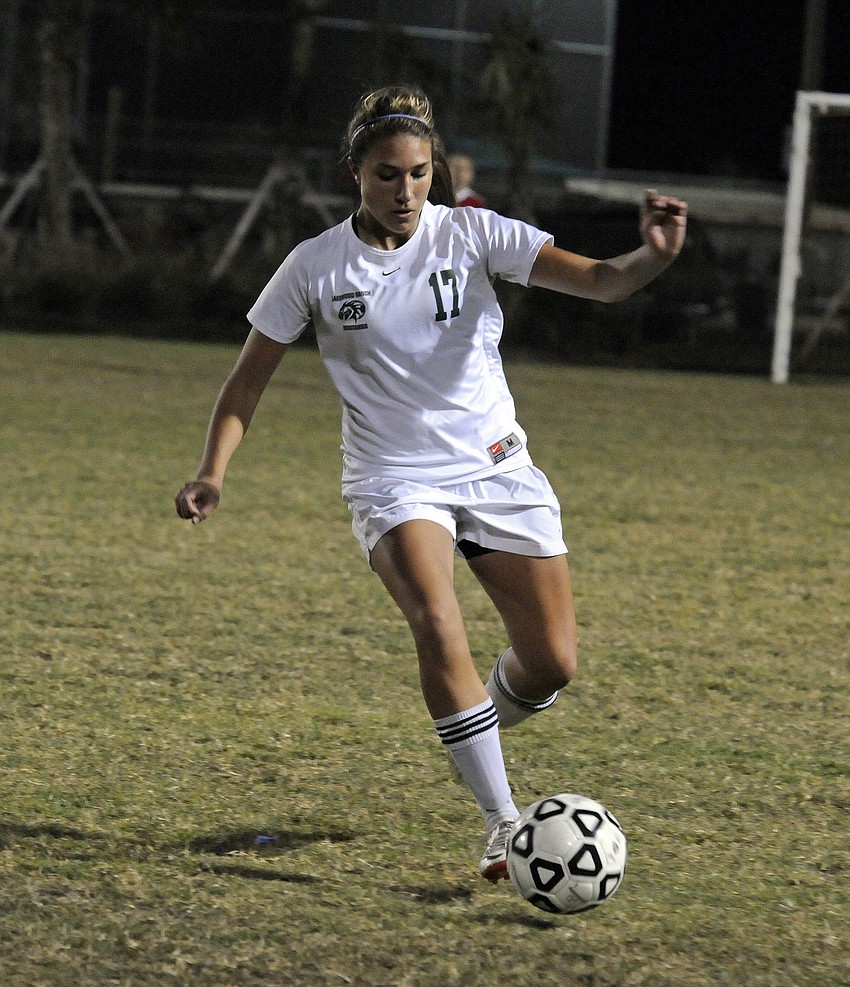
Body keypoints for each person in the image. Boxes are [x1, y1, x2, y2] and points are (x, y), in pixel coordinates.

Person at [175, 85, 687, 883]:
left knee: (551, 662)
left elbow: (602, 282)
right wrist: (213, 470)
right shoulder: (315, 265)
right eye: (387, 174)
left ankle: (472, 719)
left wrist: (652, 255)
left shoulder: (475, 234)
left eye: (419, 173)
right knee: (435, 617)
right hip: (392, 477)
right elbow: (246, 381)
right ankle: (501, 822)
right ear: (355, 172)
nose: (406, 191)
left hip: (495, 468)